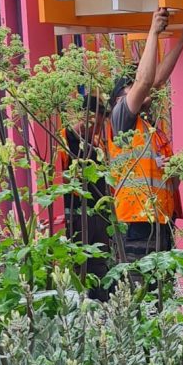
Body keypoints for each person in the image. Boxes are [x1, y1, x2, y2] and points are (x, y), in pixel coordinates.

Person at [107, 8, 183, 260]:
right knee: (138, 292)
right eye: (132, 88)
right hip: (136, 223)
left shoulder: (150, 130)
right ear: (119, 98)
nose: (140, 90)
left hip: (159, 222)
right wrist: (153, 31)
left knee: (159, 292)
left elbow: (154, 82)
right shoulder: (121, 117)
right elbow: (145, 82)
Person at [59, 94, 110, 299]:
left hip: (98, 218)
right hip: (74, 219)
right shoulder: (62, 141)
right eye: (95, 124)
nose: (97, 130)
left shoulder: (96, 145)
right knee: (77, 269)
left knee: (98, 266)